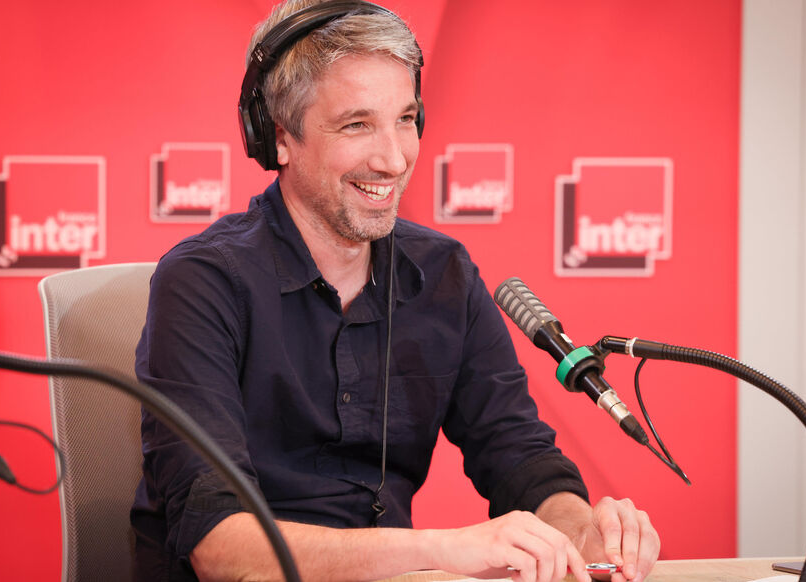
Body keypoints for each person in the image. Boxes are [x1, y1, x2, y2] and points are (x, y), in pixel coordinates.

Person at [132, 1, 660, 581]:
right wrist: (442, 551)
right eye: (356, 125)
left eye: (405, 119)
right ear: (278, 137)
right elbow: (219, 546)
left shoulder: (445, 274)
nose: (393, 159)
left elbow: (519, 455)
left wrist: (579, 528)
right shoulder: (202, 282)